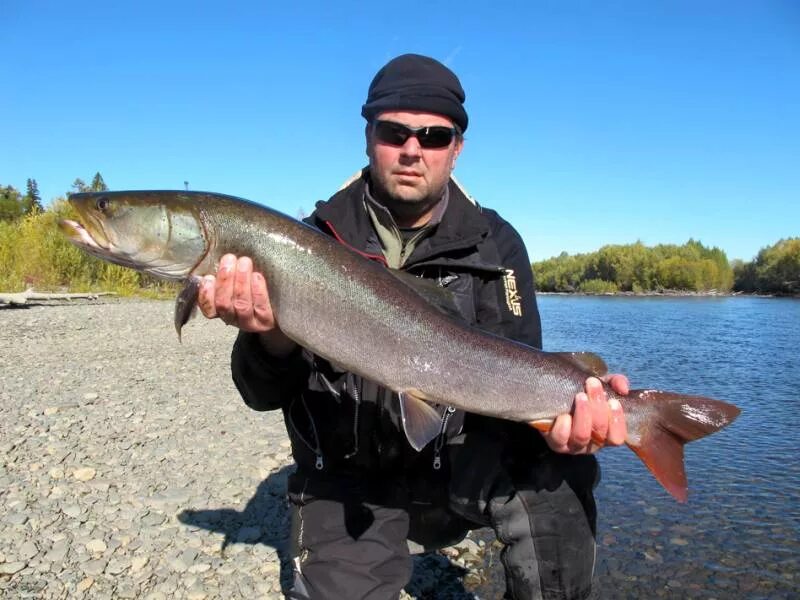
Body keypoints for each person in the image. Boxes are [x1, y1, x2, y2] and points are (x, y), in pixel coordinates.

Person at [198, 54, 628, 600]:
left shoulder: (497, 246)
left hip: (460, 465)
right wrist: (270, 335)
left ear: (457, 149)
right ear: (368, 136)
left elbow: (522, 370)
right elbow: (260, 394)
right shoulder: (309, 244)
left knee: (559, 479)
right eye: (393, 131)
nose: (411, 149)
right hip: (351, 478)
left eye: (432, 135)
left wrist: (569, 423)